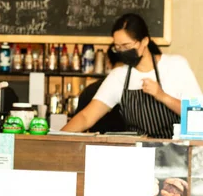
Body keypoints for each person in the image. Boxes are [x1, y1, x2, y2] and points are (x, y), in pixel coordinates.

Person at [63, 13, 202, 139]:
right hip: (136, 155)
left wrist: (162, 96)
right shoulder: (119, 76)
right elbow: (86, 117)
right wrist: (55, 138)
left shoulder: (175, 66)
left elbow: (197, 115)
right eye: (117, 47)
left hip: (173, 156)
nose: (122, 51)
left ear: (144, 41)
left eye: (126, 45)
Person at [74, 46, 126, 133]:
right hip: (131, 144)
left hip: (95, 144)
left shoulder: (91, 89)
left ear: (108, 63)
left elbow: (80, 124)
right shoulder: (138, 88)